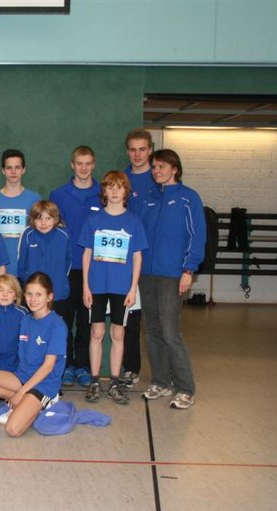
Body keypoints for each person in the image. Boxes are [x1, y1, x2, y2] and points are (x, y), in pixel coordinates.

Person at [139, 149, 206, 410]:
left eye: (162, 167)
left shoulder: (189, 198)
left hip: (172, 275)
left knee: (170, 333)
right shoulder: (149, 198)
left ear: (175, 169)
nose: (157, 171)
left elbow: (197, 237)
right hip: (147, 274)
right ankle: (161, 381)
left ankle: (186, 388)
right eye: (154, 167)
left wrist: (188, 270)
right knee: (152, 332)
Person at [78, 171, 147, 405]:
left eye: (119, 187)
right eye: (110, 187)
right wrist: (86, 286)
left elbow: (137, 257)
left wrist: (133, 288)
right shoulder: (93, 220)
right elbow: (86, 254)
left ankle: (115, 382)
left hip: (122, 288)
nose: (115, 191)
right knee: (96, 333)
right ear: (104, 191)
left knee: (118, 334)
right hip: (97, 286)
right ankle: (95, 381)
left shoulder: (134, 221)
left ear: (126, 191)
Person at [0, 272, 67, 437]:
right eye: (29, 294)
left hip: (44, 384)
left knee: (13, 429)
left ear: (49, 297)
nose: (33, 299)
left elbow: (48, 367)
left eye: (38, 294)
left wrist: (21, 393)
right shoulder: (26, 320)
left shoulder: (56, 325)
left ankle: (44, 403)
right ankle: (25, 404)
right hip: (22, 376)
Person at [48, 145, 102, 388]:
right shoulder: (58, 195)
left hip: (93, 270)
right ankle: (67, 365)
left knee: (86, 321)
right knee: (63, 321)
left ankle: (83, 366)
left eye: (88, 163)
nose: (83, 168)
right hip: (64, 270)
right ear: (72, 165)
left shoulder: (103, 194)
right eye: (79, 163)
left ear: (93, 165)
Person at [17, 200, 72, 364]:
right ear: (32, 220)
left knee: (58, 332)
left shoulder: (63, 235)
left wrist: (59, 282)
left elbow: (68, 262)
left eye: (48, 218)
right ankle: (30, 366)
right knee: (33, 334)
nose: (43, 223)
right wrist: (30, 289)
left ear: (55, 219)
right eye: (39, 218)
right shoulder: (27, 235)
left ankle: (62, 369)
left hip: (58, 294)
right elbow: (21, 265)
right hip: (33, 296)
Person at [120, 129, 155, 387]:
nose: (137, 154)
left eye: (142, 149)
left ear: (150, 150)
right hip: (126, 262)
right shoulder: (122, 180)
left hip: (154, 263)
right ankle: (131, 368)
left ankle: (163, 375)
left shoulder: (159, 179)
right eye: (133, 149)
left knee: (156, 323)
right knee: (129, 319)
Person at [0, 149, 41, 279]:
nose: (13, 172)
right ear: (3, 170)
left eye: (17, 167)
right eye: (9, 168)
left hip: (27, 269)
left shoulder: (34, 199)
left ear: (23, 170)